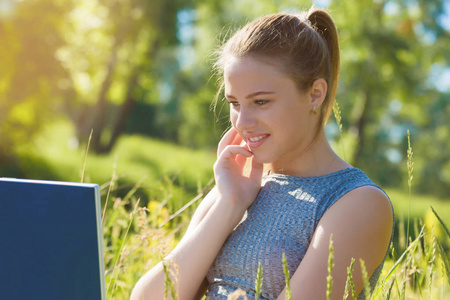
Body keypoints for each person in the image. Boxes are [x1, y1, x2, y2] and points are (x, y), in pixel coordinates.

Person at [131, 7, 394, 300]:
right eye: (235, 103)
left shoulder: (357, 202)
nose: (242, 122)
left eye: (260, 102)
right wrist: (229, 204)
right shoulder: (236, 186)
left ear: (315, 95)